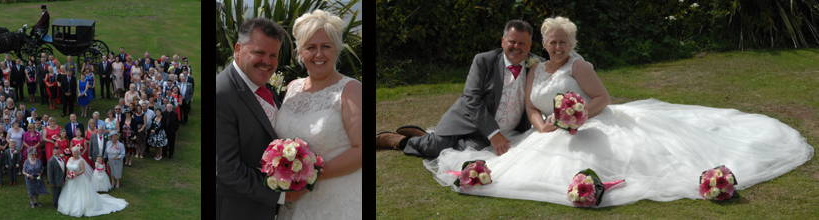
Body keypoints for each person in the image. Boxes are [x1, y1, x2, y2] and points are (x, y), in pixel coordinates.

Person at [421, 16, 815, 207]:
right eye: (552, 42)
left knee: (619, 157)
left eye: (562, 41)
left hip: (588, 126)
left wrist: (576, 117)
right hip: (546, 133)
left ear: (570, 42)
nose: (557, 46)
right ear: (543, 43)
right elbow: (529, 104)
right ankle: (412, 139)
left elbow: (603, 98)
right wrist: (541, 123)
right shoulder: (535, 69)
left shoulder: (580, 66)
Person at [377, 19, 543, 159]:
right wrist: (493, 133)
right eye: (512, 41)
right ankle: (398, 141)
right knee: (435, 148)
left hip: (502, 132)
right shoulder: (484, 60)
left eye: (522, 43)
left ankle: (429, 138)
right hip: (467, 119)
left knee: (461, 154)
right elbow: (472, 99)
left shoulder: (538, 66)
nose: (516, 46)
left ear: (530, 46)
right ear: (502, 41)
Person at [272, 10, 363, 219]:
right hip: (292, 201)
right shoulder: (292, 88)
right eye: (311, 47)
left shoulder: (351, 90)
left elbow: (361, 150)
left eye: (326, 47)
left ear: (337, 49)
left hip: (336, 200)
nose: (319, 54)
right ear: (300, 52)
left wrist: (307, 177)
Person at [216, 17, 308, 220]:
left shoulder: (264, 87)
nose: (267, 61)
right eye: (259, 52)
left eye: (273, 55)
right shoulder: (221, 95)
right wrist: (280, 194)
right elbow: (227, 168)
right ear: (238, 49)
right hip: (237, 210)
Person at [57, 145, 128, 217]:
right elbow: (68, 168)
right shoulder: (70, 159)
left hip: (79, 179)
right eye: (74, 153)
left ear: (79, 152)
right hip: (70, 180)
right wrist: (68, 175)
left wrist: (75, 174)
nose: (76, 154)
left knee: (79, 193)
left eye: (77, 152)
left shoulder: (80, 161)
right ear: (72, 153)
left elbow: (82, 170)